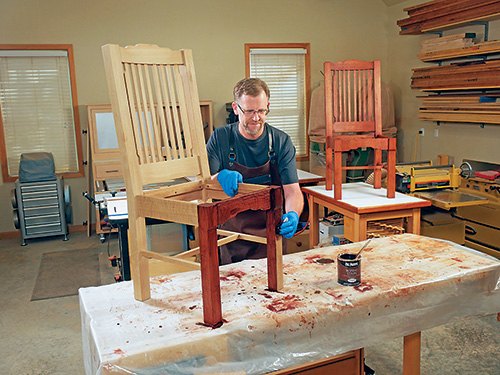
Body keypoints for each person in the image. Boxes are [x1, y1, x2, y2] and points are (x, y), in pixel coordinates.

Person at [206, 77, 304, 264]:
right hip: (231, 238)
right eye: (249, 111)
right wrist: (219, 176)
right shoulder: (220, 138)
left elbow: (292, 191)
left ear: (267, 106)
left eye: (261, 111)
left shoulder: (281, 141)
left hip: (269, 236)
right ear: (236, 108)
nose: (256, 118)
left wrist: (293, 214)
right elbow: (204, 181)